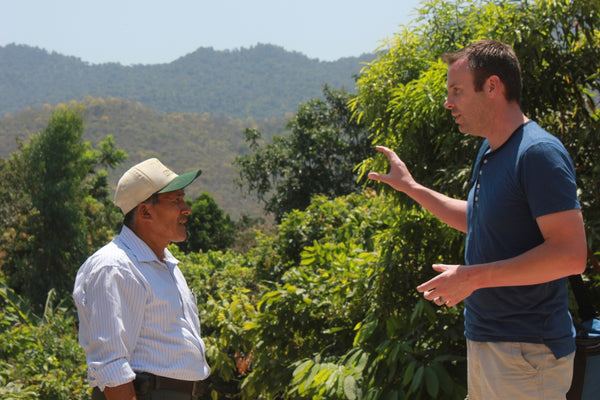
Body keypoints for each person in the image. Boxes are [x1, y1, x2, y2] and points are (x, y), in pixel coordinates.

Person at [368, 40, 587, 399]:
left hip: (527, 355)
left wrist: (471, 278)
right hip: (489, 344)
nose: (448, 102)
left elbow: (571, 255)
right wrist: (411, 187)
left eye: (456, 90)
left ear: (492, 86)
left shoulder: (538, 153)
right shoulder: (489, 149)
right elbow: (480, 220)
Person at [73, 158, 211, 400]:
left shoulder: (166, 265)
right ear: (145, 211)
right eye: (175, 200)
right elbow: (111, 365)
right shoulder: (115, 266)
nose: (186, 208)